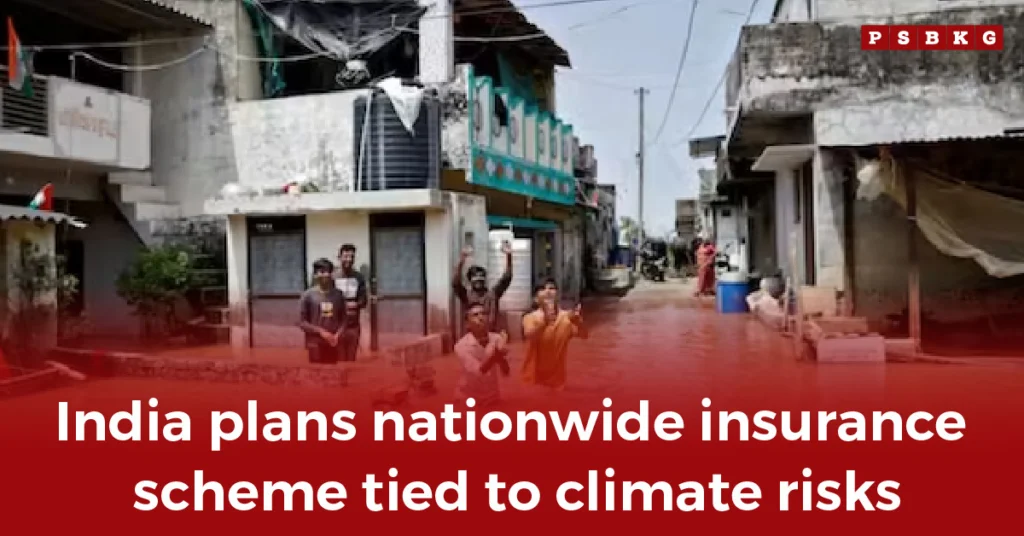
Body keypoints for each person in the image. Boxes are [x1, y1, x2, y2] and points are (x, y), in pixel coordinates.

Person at [521, 296, 588, 390]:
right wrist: (544, 322)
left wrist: (578, 321)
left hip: (557, 383)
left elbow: (584, 335)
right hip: (533, 379)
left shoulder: (565, 323)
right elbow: (529, 334)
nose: (551, 309)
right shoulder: (530, 318)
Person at [454, 303, 510, 407]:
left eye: (484, 314)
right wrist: (496, 354)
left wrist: (502, 356)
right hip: (468, 399)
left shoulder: (496, 338)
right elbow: (479, 371)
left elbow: (506, 372)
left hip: (492, 397)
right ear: (467, 323)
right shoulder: (460, 346)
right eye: (475, 315)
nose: (481, 317)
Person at [453, 242, 512, 332]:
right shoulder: (466, 296)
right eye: (475, 278)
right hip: (472, 337)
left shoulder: (493, 294)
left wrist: (509, 256)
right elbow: (456, 283)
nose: (478, 281)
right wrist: (462, 260)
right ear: (470, 280)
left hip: (491, 336)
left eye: (481, 278)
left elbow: (506, 278)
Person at [298, 259, 348, 364]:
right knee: (316, 375)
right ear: (315, 275)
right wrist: (321, 332)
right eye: (321, 272)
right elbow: (302, 322)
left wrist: (338, 335)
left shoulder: (338, 295)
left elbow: (344, 320)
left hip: (333, 343)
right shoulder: (308, 295)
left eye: (328, 272)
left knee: (333, 374)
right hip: (315, 343)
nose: (325, 275)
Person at [334, 244, 367, 362]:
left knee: (351, 359)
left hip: (353, 325)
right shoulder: (333, 277)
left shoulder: (359, 277)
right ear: (339, 257)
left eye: (351, 257)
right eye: (346, 256)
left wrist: (357, 304)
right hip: (336, 326)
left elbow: (364, 299)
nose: (349, 259)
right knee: (339, 359)